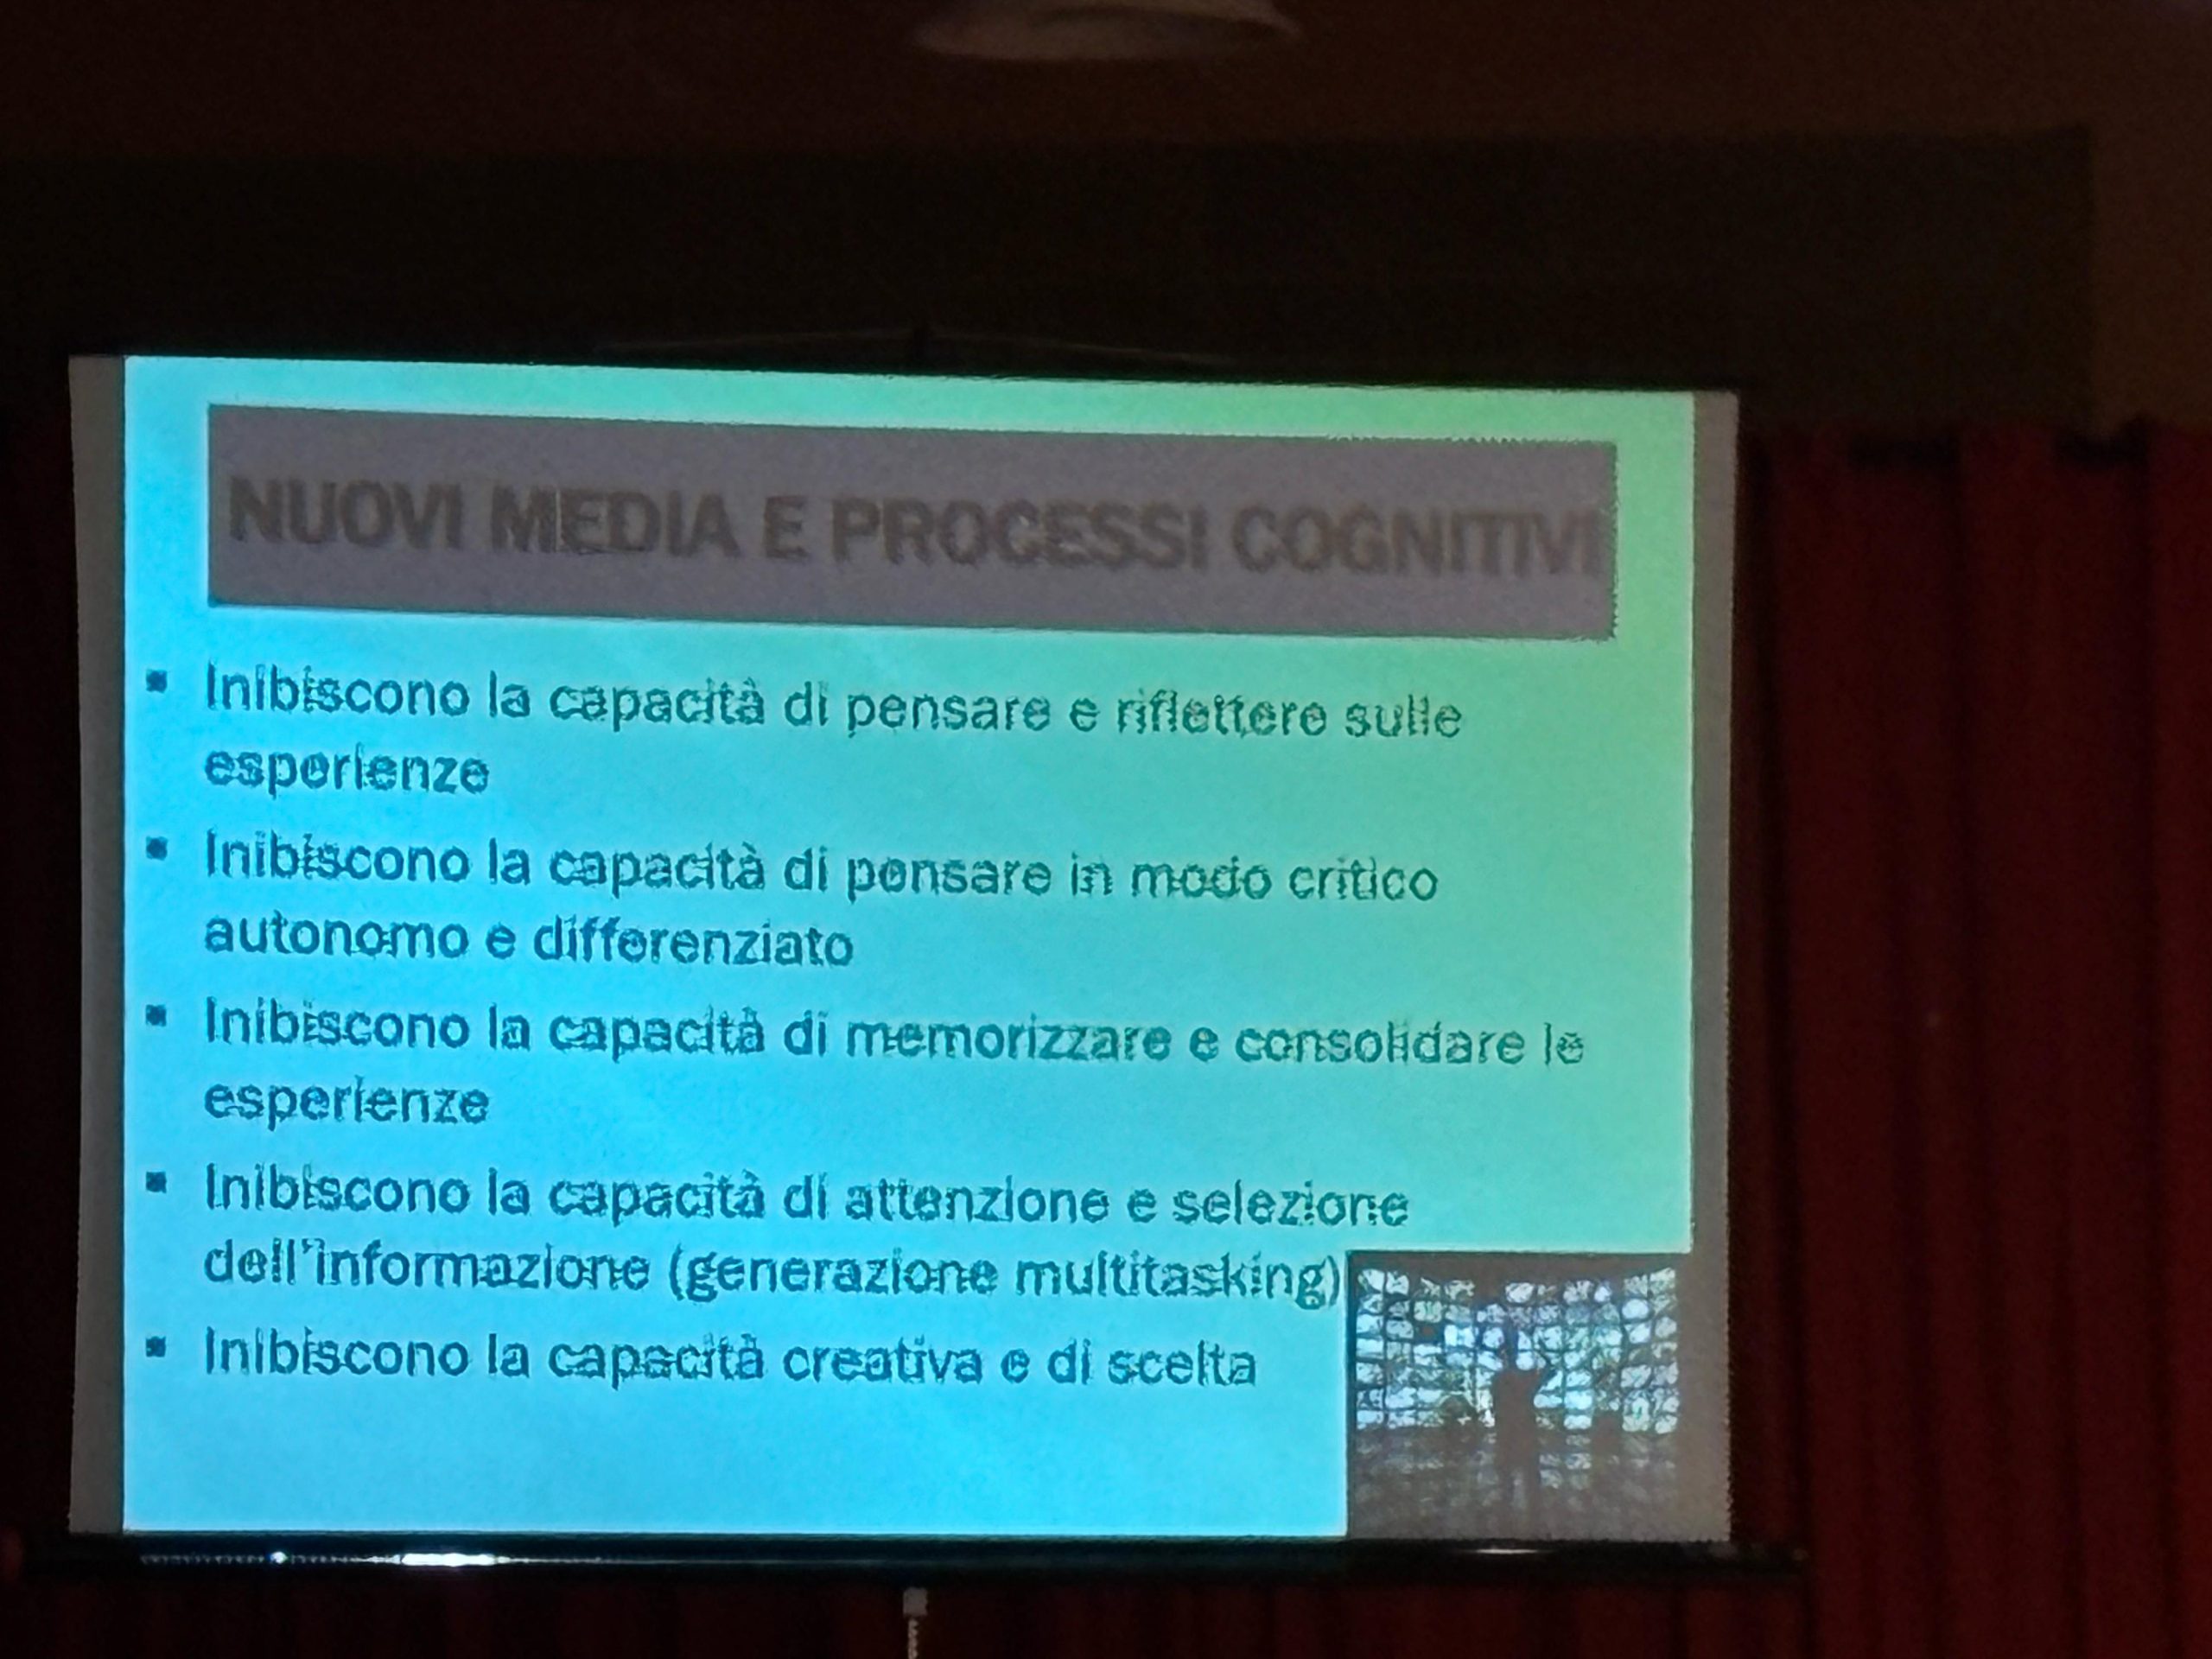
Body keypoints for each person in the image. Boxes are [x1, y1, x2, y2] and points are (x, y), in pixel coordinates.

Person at [1490, 1325, 1552, 1524]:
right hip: (1524, 1435)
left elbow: (1496, 1408)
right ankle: (1532, 1521)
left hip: (1508, 1435)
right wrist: (1543, 1354)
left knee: (1508, 1483)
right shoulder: (1525, 1378)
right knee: (1529, 1481)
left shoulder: (1499, 1380)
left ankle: (1507, 1521)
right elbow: (1548, 1371)